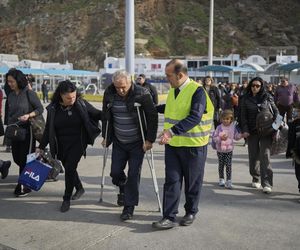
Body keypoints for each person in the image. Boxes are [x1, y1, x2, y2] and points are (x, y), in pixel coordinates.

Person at [152, 59, 214, 230]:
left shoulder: (197, 91)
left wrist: (170, 132)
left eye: (168, 75)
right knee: (172, 181)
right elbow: (172, 108)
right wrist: (152, 107)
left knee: (193, 181)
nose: (166, 79)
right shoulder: (174, 90)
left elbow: (195, 116)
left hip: (194, 145)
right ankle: (168, 217)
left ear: (180, 75)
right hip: (174, 146)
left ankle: (191, 211)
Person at [37, 80, 102, 212]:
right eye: (68, 97)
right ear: (60, 95)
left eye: (74, 96)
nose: (72, 99)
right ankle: (79, 188)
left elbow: (98, 114)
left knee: (71, 167)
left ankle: (66, 198)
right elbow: (48, 129)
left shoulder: (81, 104)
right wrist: (41, 146)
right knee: (68, 167)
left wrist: (111, 111)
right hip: (60, 144)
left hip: (78, 142)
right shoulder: (53, 108)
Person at [102, 70, 158, 221]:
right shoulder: (109, 92)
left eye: (123, 87)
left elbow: (152, 116)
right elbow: (105, 115)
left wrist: (150, 139)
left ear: (130, 82)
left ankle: (129, 207)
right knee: (115, 172)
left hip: (137, 142)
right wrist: (105, 137)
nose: (120, 90)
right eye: (117, 87)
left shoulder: (142, 93)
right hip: (119, 141)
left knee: (134, 174)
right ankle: (123, 187)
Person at [5, 68, 44, 197]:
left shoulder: (28, 93)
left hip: (28, 130)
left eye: (11, 81)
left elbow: (40, 108)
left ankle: (24, 185)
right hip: (15, 130)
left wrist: (28, 115)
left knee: (25, 158)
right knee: (17, 157)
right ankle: (37, 162)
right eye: (8, 82)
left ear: (18, 81)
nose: (9, 84)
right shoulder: (10, 95)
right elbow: (8, 113)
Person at [240, 77, 279, 194]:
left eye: (257, 86)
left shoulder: (268, 97)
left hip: (266, 131)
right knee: (253, 156)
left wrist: (275, 128)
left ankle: (266, 183)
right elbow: (242, 116)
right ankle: (255, 177)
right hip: (251, 131)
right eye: (253, 85)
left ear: (262, 86)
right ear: (250, 86)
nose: (255, 88)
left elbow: (277, 113)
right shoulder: (245, 99)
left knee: (265, 156)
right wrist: (245, 130)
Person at [212, 110, 243, 189]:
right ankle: (221, 179)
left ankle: (229, 180)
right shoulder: (219, 127)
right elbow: (214, 138)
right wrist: (220, 138)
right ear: (221, 119)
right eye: (224, 119)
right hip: (220, 150)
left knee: (228, 165)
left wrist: (241, 135)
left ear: (231, 119)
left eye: (227, 119)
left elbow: (236, 136)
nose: (225, 120)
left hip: (229, 150)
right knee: (221, 165)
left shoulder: (233, 127)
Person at [286, 103, 300, 202]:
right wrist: (290, 152)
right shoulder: (295, 123)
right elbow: (291, 139)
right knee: (298, 173)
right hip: (298, 153)